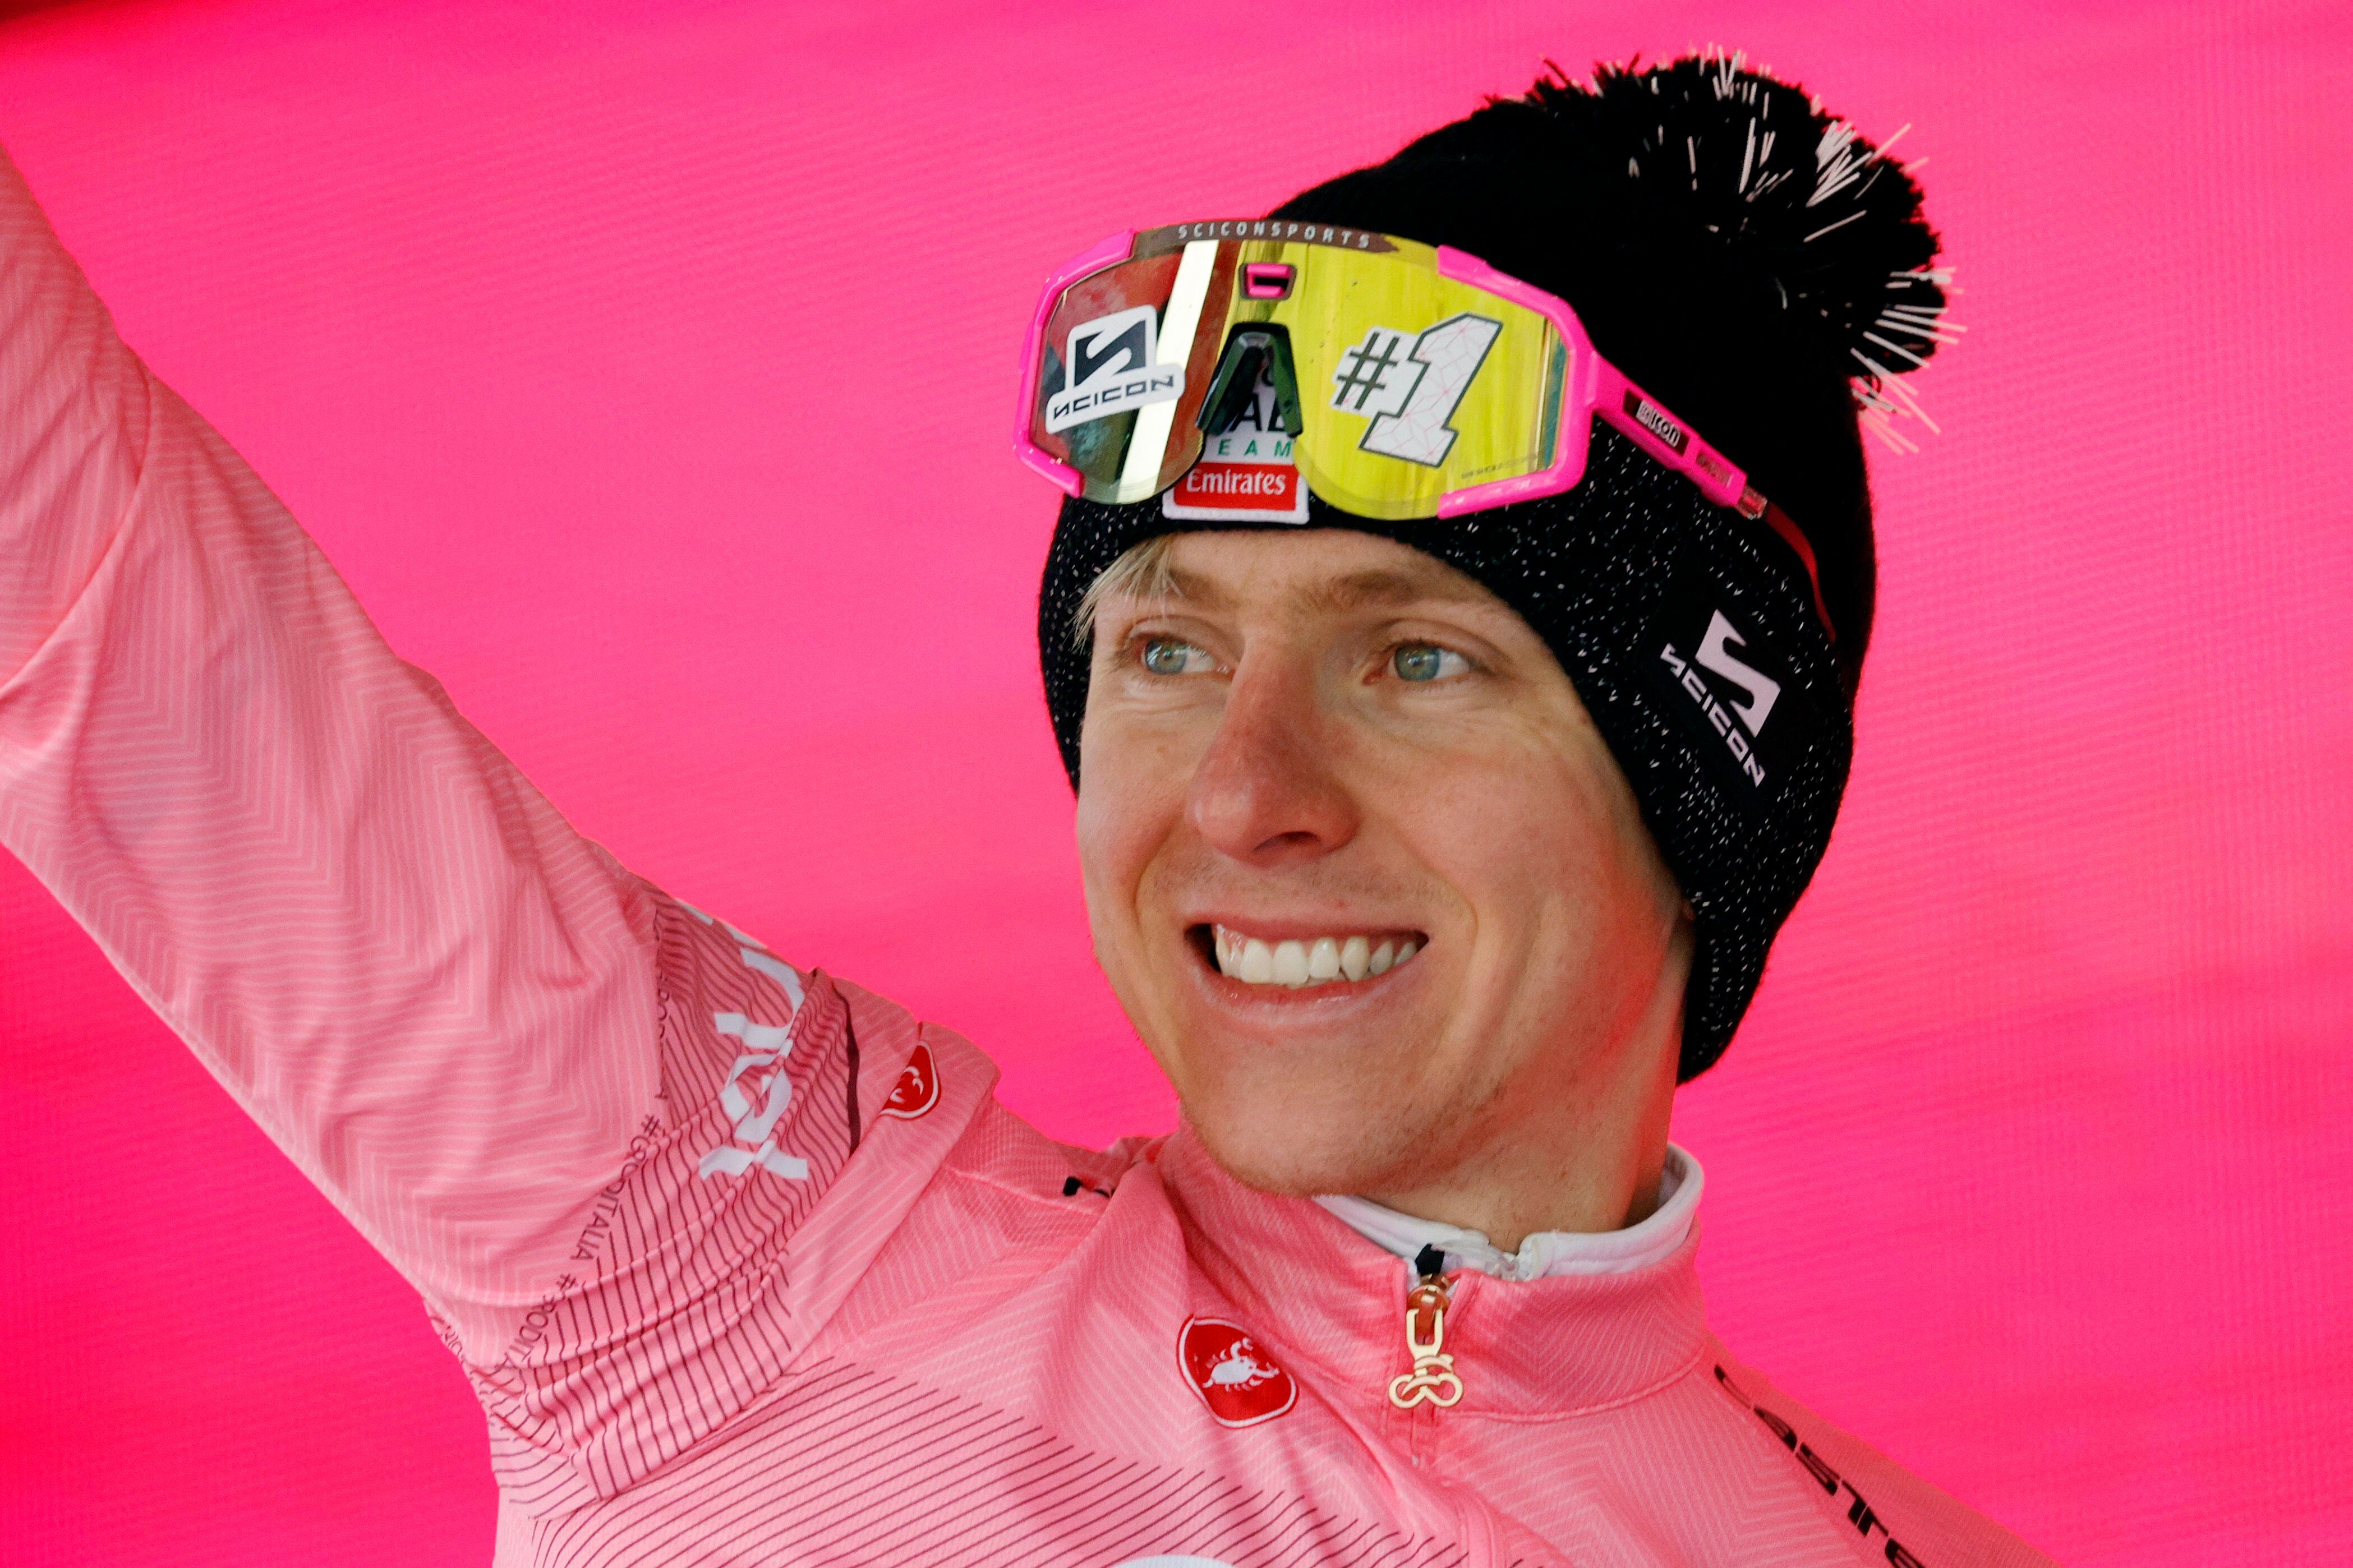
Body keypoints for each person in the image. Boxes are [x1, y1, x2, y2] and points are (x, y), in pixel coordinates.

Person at [0, 50, 2052, 1568]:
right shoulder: (737, 1251)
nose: (1242, 795)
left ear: (1713, 790)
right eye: (1164, 648)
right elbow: (87, 604)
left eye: (1416, 656)